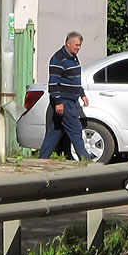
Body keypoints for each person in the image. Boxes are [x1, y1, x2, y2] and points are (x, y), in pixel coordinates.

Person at [38, 31, 91, 161]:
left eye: (80, 46)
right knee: (76, 130)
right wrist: (58, 102)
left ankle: (42, 159)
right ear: (68, 43)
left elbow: (73, 80)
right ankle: (86, 160)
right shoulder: (58, 59)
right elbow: (53, 83)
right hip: (64, 101)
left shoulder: (73, 57)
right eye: (76, 45)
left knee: (55, 132)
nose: (78, 48)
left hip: (71, 100)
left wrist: (81, 94)